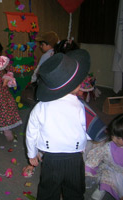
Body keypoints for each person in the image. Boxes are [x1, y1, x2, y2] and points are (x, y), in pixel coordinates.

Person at [26, 49, 91, 199]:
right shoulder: (79, 105)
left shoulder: (40, 107)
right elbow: (85, 129)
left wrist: (32, 154)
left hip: (51, 158)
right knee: (75, 190)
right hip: (75, 157)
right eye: (78, 82)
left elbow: (31, 133)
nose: (81, 84)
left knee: (48, 190)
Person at [85, 114, 123, 200]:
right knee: (105, 175)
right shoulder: (109, 146)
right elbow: (98, 155)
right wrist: (89, 167)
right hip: (111, 170)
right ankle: (102, 189)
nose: (114, 139)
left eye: (118, 137)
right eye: (113, 135)